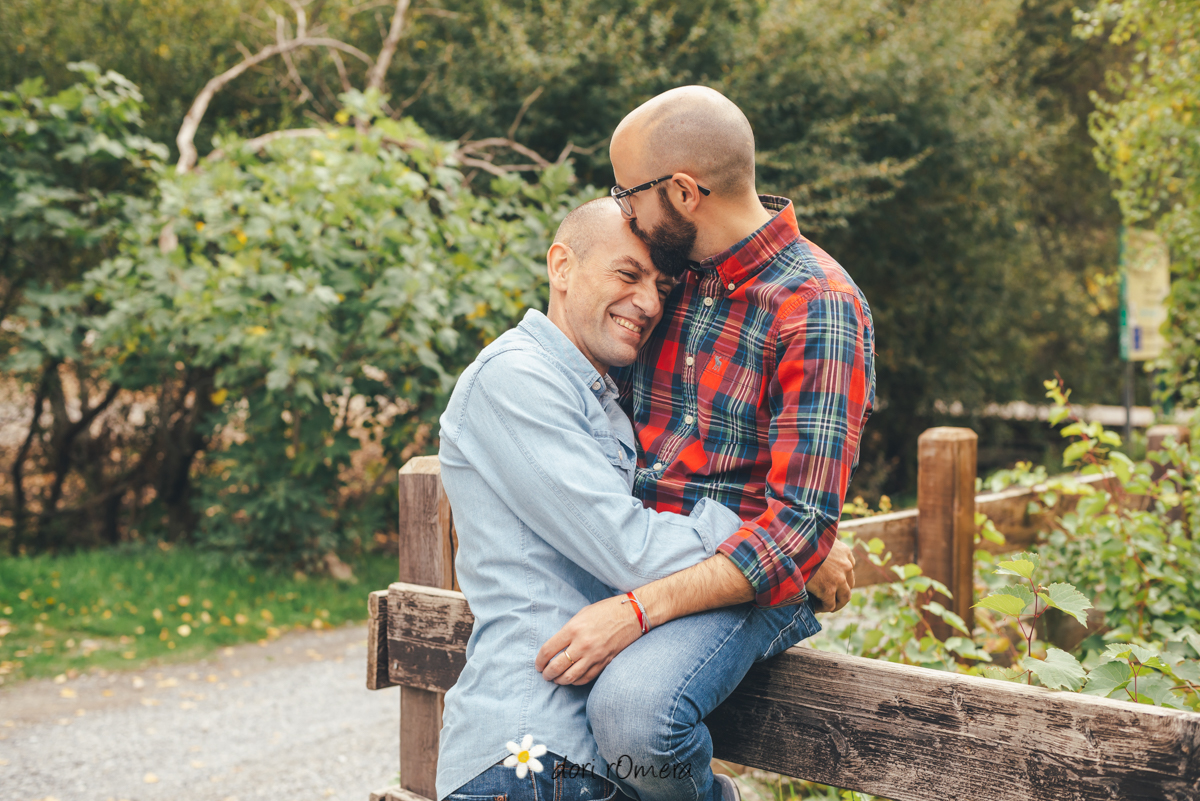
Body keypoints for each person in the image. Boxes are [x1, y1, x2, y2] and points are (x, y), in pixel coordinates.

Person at [533, 85, 876, 801]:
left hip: (743, 578)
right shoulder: (666, 277)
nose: (622, 210)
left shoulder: (817, 305)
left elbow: (794, 532)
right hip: (633, 544)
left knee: (634, 712)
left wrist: (638, 608)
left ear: (684, 191)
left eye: (628, 192)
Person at [436, 199, 761, 801]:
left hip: (589, 766)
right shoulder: (514, 378)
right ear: (562, 266)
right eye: (627, 274)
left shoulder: (599, 397)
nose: (650, 303)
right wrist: (775, 542)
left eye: (660, 286)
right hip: (531, 756)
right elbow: (631, 549)